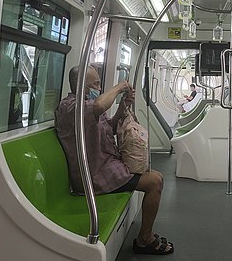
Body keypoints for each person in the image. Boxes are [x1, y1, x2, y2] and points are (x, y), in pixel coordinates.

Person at [55, 66, 173, 255]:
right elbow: (100, 106)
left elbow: (107, 128)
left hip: (107, 166)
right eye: (96, 84)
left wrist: (121, 107)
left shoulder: (88, 106)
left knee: (156, 175)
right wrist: (119, 87)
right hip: (94, 177)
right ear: (81, 86)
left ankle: (145, 235)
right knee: (155, 182)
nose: (99, 88)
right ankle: (145, 238)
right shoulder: (71, 107)